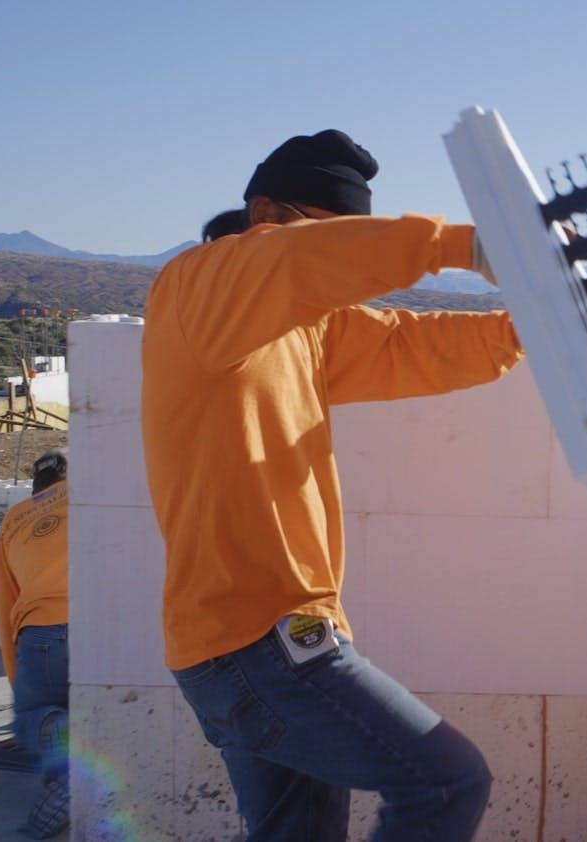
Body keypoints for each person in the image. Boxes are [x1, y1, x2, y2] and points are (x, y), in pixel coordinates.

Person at [141, 129, 522, 841]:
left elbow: (408, 344)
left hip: (262, 644)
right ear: (262, 213)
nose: (337, 264)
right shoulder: (198, 285)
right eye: (325, 234)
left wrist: (529, 326)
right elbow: (300, 260)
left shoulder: (304, 327)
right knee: (447, 782)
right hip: (258, 644)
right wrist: (468, 245)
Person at [0, 447, 71, 839]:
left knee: (32, 720)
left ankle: (59, 736)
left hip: (41, 633)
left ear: (36, 486)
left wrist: (22, 698)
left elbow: (6, 603)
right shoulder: (95, 496)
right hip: (102, 624)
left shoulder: (14, 518)